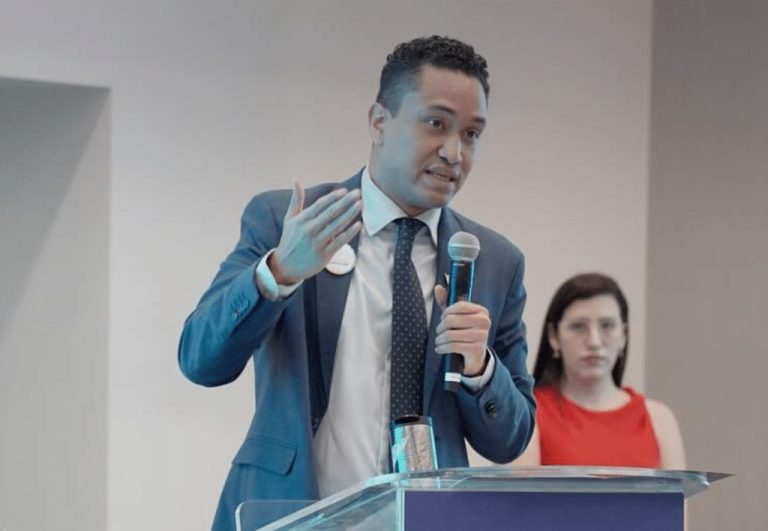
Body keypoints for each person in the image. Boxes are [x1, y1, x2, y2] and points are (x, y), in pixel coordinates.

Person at [178, 35, 535, 530]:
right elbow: (201, 360)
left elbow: (510, 440)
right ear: (378, 121)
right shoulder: (288, 220)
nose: (454, 152)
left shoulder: (494, 261)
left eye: (472, 134)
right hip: (290, 515)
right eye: (436, 123)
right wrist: (277, 273)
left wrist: (480, 368)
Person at [515, 273, 685, 469]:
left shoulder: (659, 418)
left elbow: (679, 491)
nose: (594, 342)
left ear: (623, 335)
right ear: (554, 336)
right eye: (578, 327)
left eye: (607, 326)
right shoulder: (526, 415)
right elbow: (517, 490)